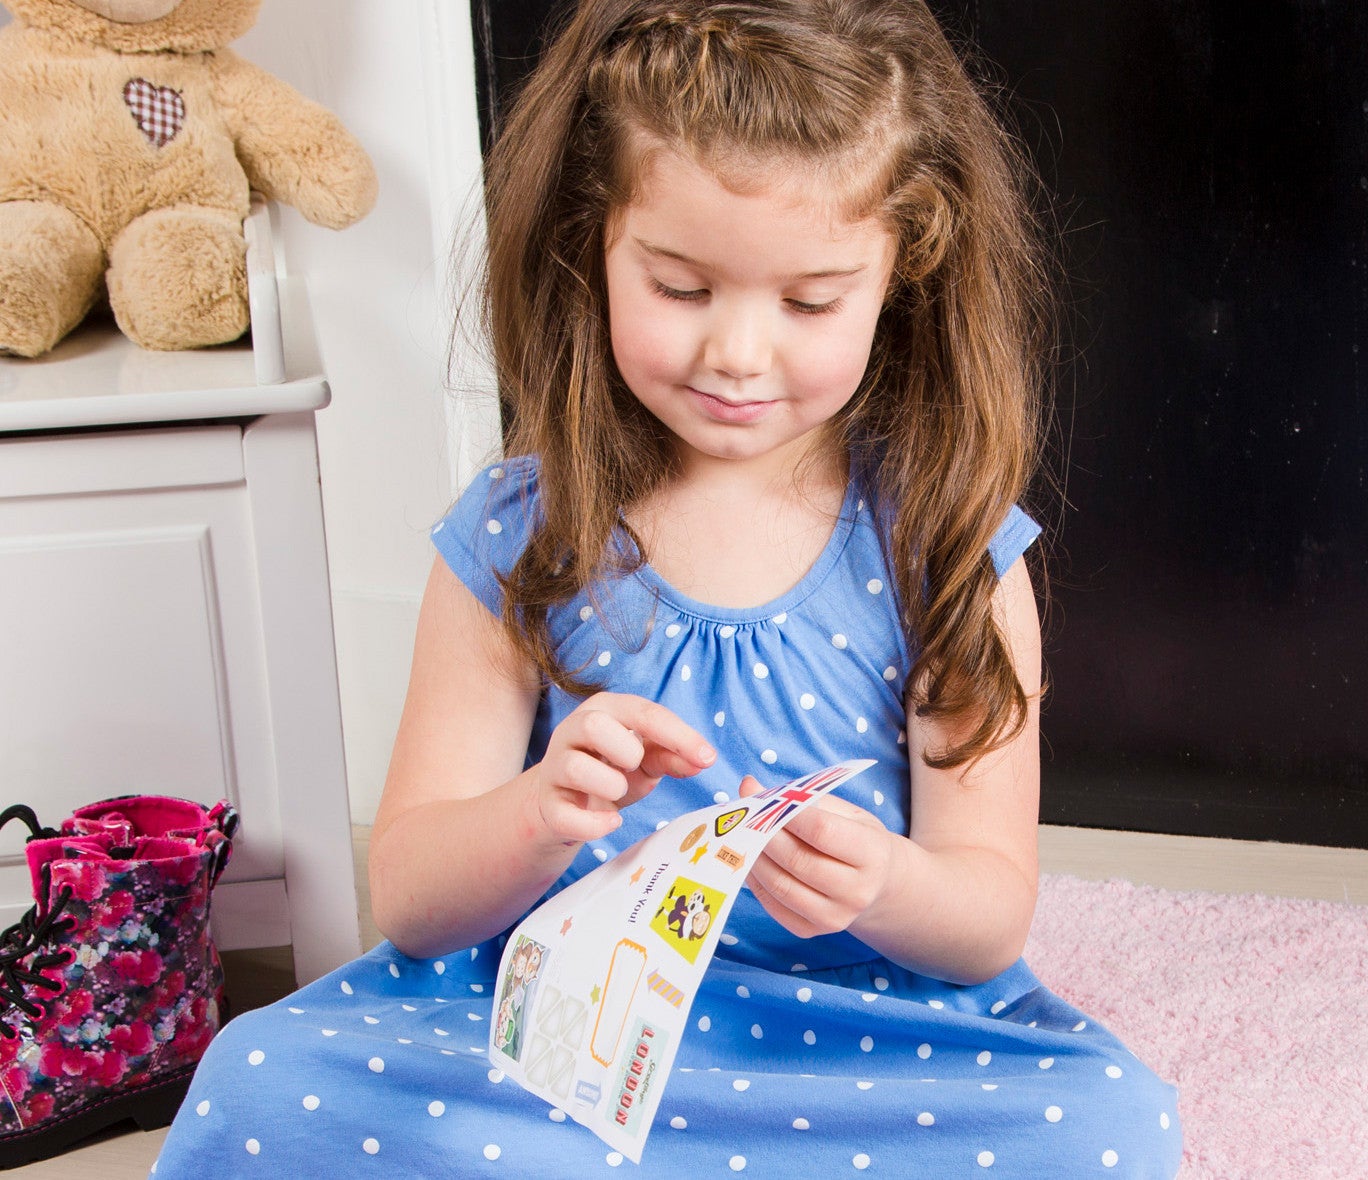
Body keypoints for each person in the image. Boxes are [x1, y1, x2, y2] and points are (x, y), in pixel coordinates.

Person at [154, 1, 1182, 1174]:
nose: (738, 352)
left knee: (1110, 1122)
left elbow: (988, 910)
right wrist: (536, 814)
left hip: (859, 1042)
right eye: (682, 288)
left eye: (808, 302)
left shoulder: (945, 547)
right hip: (545, 1031)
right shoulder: (519, 536)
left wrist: (887, 884)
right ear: (591, 241)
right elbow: (413, 896)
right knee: (262, 1080)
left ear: (904, 270)